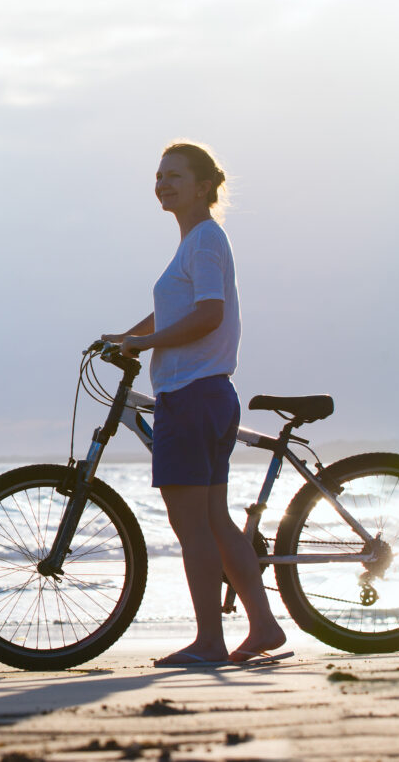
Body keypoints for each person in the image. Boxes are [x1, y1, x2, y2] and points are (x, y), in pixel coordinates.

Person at [101, 141, 287, 666]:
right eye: (159, 176)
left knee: (194, 529)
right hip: (207, 395)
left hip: (192, 395)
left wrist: (146, 345)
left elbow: (208, 314)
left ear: (204, 186)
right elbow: (172, 314)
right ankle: (265, 626)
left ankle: (210, 641)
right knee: (216, 523)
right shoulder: (196, 242)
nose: (163, 183)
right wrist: (127, 337)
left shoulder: (204, 240)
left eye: (175, 175)